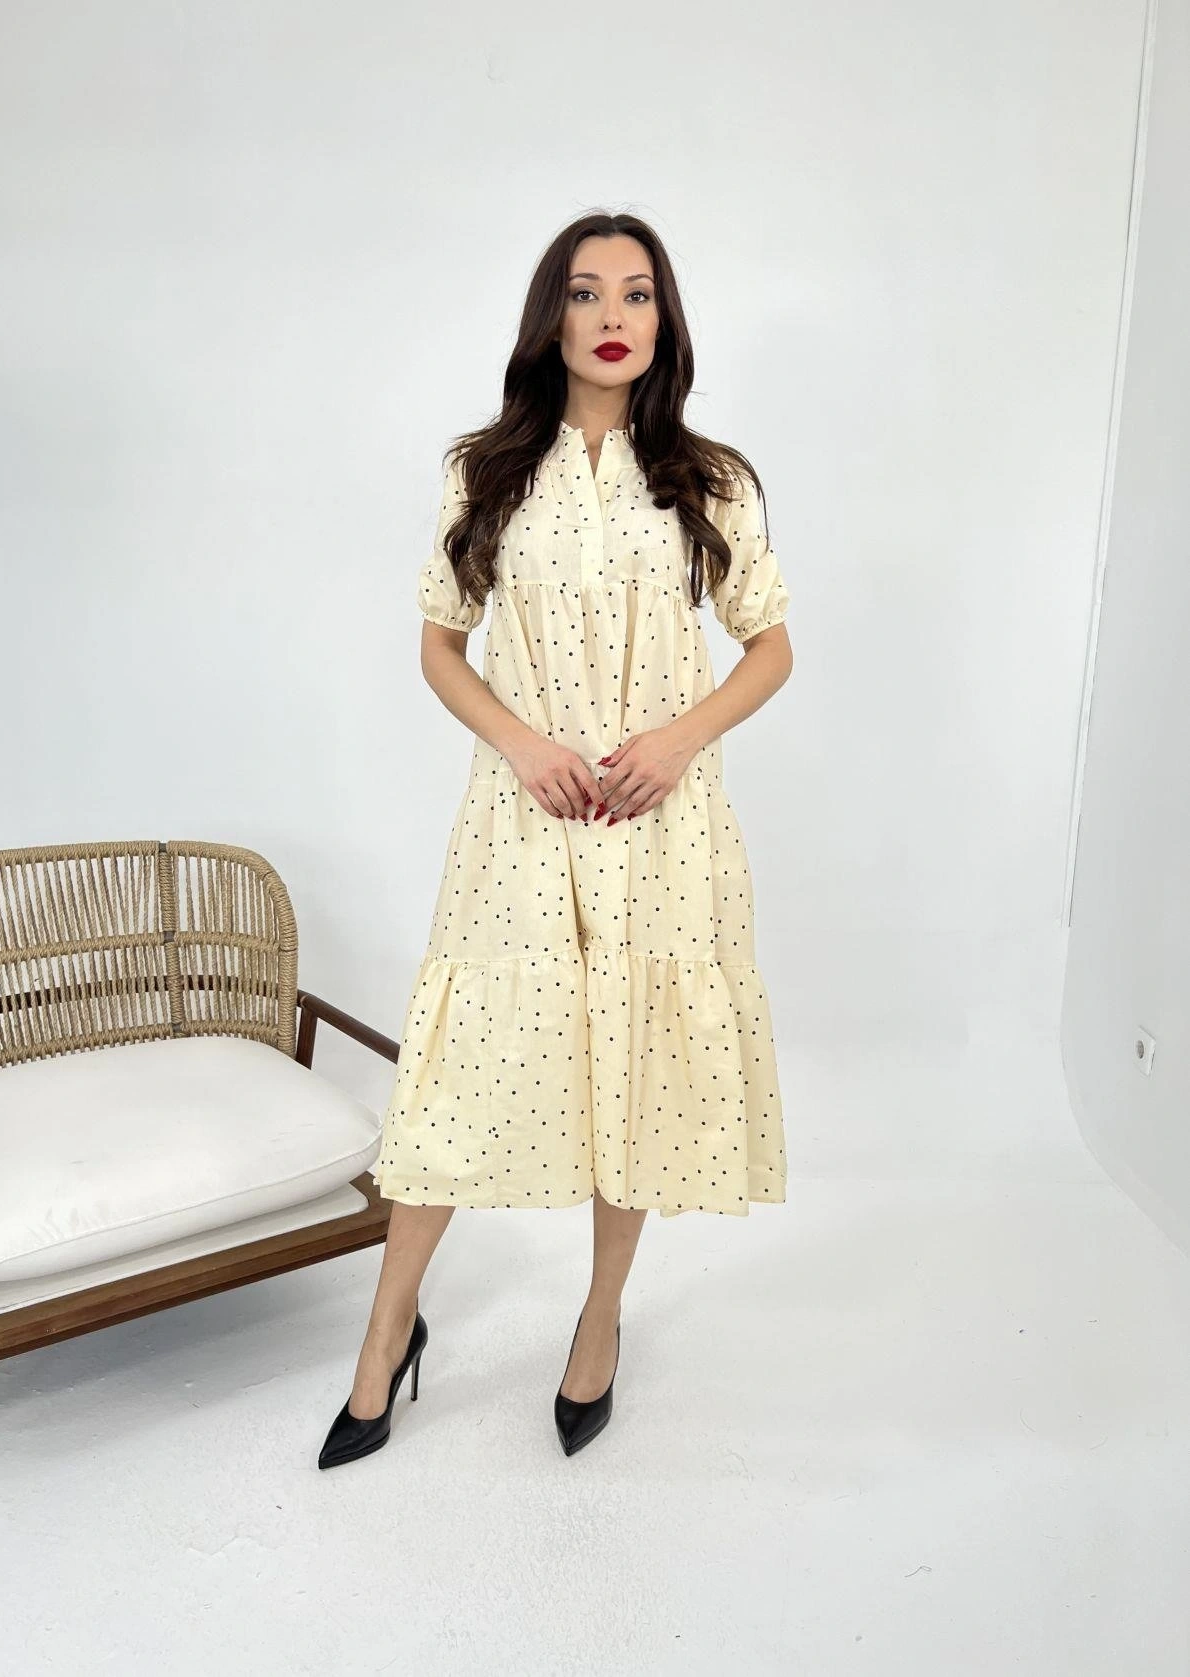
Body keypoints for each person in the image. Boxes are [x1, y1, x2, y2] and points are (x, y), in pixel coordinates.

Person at [319, 210, 794, 1470]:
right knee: (458, 1074)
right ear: (552, 318)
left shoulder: (711, 479)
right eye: (585, 293)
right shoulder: (485, 470)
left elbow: (769, 647)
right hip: (519, 821)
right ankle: (387, 1331)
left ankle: (598, 1318)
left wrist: (677, 741)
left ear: (663, 318)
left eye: (637, 293)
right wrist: (523, 745)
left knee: (629, 1062)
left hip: (657, 821)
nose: (612, 316)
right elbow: (440, 644)